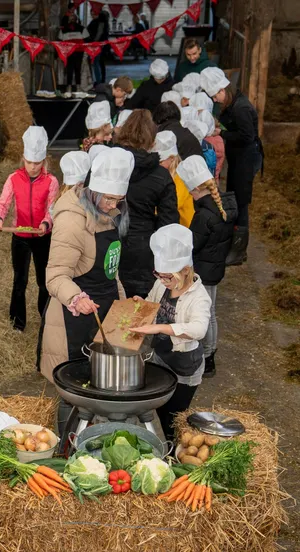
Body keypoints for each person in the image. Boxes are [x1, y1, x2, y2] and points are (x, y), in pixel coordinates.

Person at [38, 148, 132, 433]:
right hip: (73, 319)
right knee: (75, 390)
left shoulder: (109, 214)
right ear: (91, 190)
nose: (112, 204)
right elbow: (54, 276)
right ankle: (68, 447)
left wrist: (124, 303)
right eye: (107, 197)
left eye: (118, 199)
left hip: (105, 313)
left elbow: (110, 269)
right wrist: (76, 297)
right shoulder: (71, 221)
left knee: (103, 388)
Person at [129, 224, 212, 440]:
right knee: (157, 410)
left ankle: (173, 456)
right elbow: (152, 302)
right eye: (160, 275)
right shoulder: (162, 284)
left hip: (185, 366)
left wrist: (158, 328)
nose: (163, 281)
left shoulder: (199, 297)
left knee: (173, 419)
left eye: (168, 277)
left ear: (185, 270)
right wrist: (142, 304)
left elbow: (199, 329)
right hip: (161, 358)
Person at [177, 156, 237, 379]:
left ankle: (208, 356)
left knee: (206, 313)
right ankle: (211, 353)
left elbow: (193, 245)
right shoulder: (224, 205)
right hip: (217, 265)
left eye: (190, 192)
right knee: (211, 312)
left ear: (196, 189)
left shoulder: (203, 216)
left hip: (204, 269)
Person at [0, 127, 58, 331]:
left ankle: (45, 319)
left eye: (37, 163)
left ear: (44, 161)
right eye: (29, 162)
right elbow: (3, 202)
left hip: (42, 236)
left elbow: (53, 208)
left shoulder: (51, 181)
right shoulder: (13, 178)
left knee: (43, 280)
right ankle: (17, 323)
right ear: (23, 159)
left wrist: (46, 223)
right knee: (19, 279)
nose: (32, 167)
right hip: (20, 235)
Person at [201, 66, 263, 265]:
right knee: (235, 197)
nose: (214, 100)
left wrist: (222, 134)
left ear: (221, 91)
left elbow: (247, 136)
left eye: (214, 96)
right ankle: (235, 246)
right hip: (239, 156)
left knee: (241, 201)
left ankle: (239, 251)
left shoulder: (241, 108)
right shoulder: (232, 102)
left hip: (247, 157)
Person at [115, 109, 179, 298]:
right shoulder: (160, 176)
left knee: (110, 306)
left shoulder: (106, 164)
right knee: (142, 308)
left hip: (109, 241)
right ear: (152, 140)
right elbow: (169, 222)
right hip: (144, 248)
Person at [152, 130, 194, 226]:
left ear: (171, 158)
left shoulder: (180, 177)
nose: (158, 165)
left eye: (161, 162)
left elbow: (173, 204)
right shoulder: (167, 174)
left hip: (184, 226)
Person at [59, 11, 89, 93]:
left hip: (73, 52)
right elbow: (87, 40)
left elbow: (60, 41)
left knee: (71, 69)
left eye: (72, 17)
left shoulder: (64, 30)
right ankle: (76, 87)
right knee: (75, 69)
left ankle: (70, 87)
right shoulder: (82, 28)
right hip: (76, 52)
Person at [86, 11, 110, 85]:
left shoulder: (97, 22)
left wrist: (93, 42)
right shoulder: (105, 23)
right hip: (101, 45)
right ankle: (101, 80)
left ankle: (99, 81)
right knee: (100, 63)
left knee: (96, 63)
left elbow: (96, 34)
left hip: (97, 45)